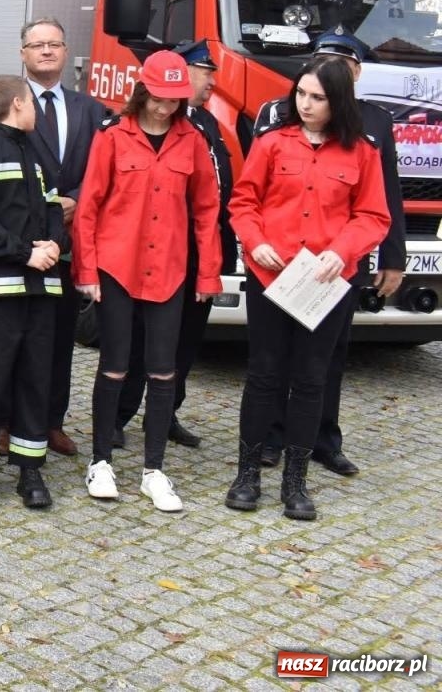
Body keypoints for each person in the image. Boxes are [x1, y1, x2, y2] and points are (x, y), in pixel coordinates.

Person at [226, 58, 389, 520]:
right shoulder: (273, 142)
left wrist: (342, 250)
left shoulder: (362, 151)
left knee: (311, 378)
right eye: (301, 94)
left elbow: (373, 215)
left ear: (338, 100)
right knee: (263, 374)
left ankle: (295, 482)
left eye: (317, 97)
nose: (306, 104)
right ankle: (247, 475)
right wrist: (254, 243)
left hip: (326, 283)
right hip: (271, 278)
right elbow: (244, 201)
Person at [73, 51, 222, 513]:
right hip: (118, 267)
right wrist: (87, 270)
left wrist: (208, 273)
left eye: (174, 100)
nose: (164, 108)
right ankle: (100, 462)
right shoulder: (114, 137)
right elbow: (89, 207)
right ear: (143, 91)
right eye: (158, 98)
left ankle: (154, 470)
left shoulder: (193, 142)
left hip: (170, 272)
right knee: (115, 365)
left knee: (163, 370)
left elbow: (206, 211)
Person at [251, 29, 403, 476]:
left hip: (334, 268)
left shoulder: (373, 123)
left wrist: (391, 257)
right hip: (281, 263)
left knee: (326, 359)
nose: (308, 101)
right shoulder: (277, 119)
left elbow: (383, 199)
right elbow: (256, 194)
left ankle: (322, 440)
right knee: (273, 360)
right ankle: (272, 439)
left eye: (344, 66)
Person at [116, 40, 236, 451]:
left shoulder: (208, 124)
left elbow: (214, 194)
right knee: (137, 338)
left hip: (199, 249)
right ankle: (119, 415)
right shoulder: (145, 125)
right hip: (159, 247)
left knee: (183, 341)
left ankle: (165, 414)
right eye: (204, 72)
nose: (210, 81)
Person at [0, 75, 66, 509]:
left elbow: (54, 207)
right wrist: (24, 253)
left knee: (35, 378)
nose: (37, 110)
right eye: (32, 104)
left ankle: (29, 468)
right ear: (18, 104)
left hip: (42, 289)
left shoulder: (38, 151)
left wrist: (57, 244)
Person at [19, 16, 108, 457]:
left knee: (59, 342)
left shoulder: (90, 110)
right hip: (20, 243)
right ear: (24, 54)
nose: (47, 51)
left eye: (54, 44)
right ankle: (6, 420)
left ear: (65, 51)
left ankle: (51, 422)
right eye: (38, 45)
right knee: (14, 337)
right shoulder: (8, 104)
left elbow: (101, 168)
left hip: (70, 240)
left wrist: (74, 197)